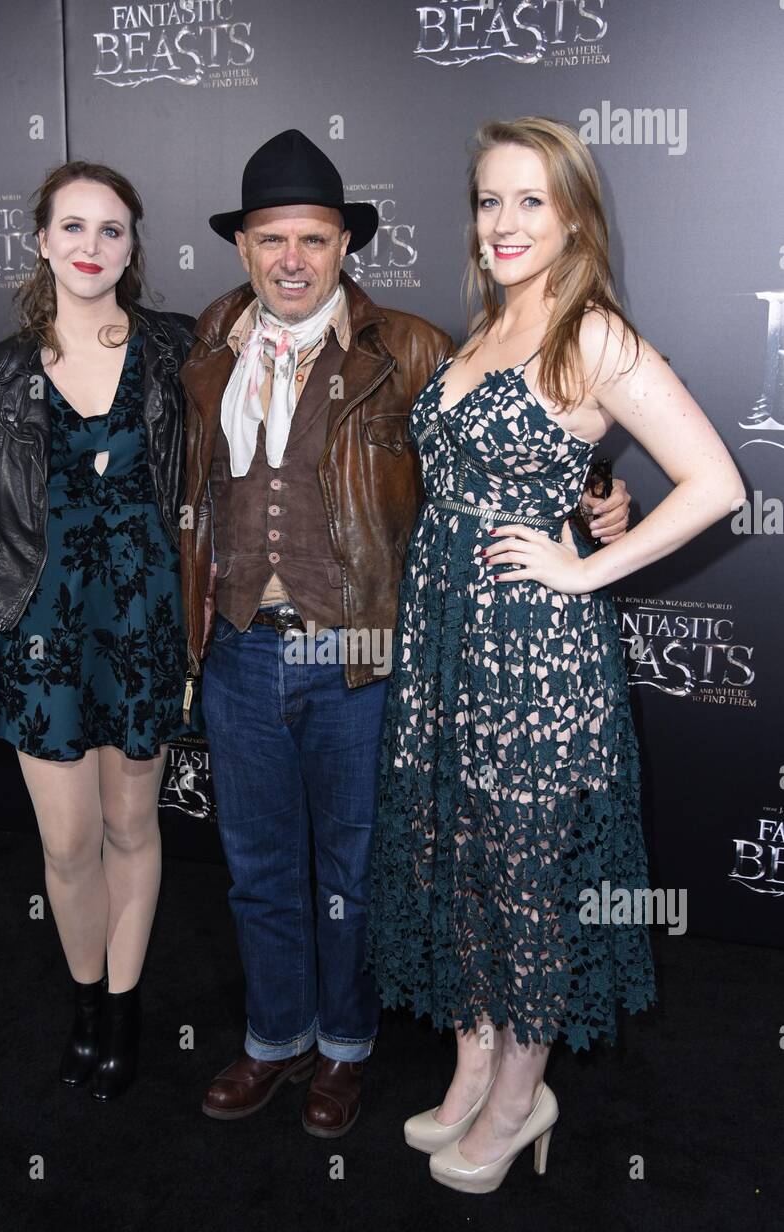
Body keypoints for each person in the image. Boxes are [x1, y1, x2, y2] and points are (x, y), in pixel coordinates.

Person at [179, 129, 632, 1138]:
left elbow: (512, 445)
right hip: (242, 645)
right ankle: (272, 1040)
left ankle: (344, 1050)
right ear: (242, 248)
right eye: (269, 238)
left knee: (353, 866)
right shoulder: (203, 345)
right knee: (255, 864)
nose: (290, 257)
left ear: (345, 245)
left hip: (360, 649)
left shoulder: (418, 348)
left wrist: (599, 494)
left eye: (312, 236)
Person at [365, 117, 745, 1192]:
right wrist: (592, 499)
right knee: (461, 861)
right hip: (443, 644)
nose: (504, 221)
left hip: (534, 658)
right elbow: (535, 460)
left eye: (530, 200)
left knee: (526, 875)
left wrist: (580, 569)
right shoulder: (479, 328)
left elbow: (717, 484)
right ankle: (474, 1057)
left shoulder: (591, 332)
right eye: (489, 200)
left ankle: (526, 1086)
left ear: (573, 212)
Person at [0, 160, 197, 1101]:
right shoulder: (2, 373)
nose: (90, 246)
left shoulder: (176, 351)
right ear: (42, 240)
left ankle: (127, 1011)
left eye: (111, 230)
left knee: (133, 824)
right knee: (66, 843)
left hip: (142, 618)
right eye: (73, 227)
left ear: (133, 247)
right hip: (41, 630)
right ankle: (86, 1004)